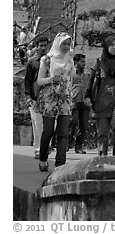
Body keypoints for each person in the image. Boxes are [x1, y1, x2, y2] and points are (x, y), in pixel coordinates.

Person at [84, 36, 115, 156]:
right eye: (112, 44)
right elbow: (91, 81)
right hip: (101, 101)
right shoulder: (99, 63)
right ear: (106, 46)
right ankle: (102, 158)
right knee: (103, 133)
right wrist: (88, 96)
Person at [35, 32, 74, 171]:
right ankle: (43, 158)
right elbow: (39, 80)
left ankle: (60, 164)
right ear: (58, 43)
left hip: (64, 98)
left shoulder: (70, 60)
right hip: (49, 98)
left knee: (63, 132)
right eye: (63, 43)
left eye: (68, 44)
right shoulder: (47, 59)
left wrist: (70, 95)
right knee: (49, 131)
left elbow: (71, 79)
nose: (66, 47)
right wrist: (51, 80)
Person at [24, 36, 50, 159]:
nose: (43, 47)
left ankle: (45, 146)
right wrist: (28, 96)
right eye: (41, 45)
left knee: (48, 125)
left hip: (49, 98)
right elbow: (28, 80)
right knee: (37, 123)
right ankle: (39, 149)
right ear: (36, 46)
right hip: (35, 97)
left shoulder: (52, 61)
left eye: (45, 45)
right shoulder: (32, 62)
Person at [68, 53, 90, 154]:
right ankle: (68, 143)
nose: (84, 64)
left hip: (84, 102)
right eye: (82, 62)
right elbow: (68, 87)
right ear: (76, 62)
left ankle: (79, 146)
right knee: (73, 122)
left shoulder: (87, 75)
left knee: (83, 125)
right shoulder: (71, 74)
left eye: (84, 62)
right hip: (74, 101)